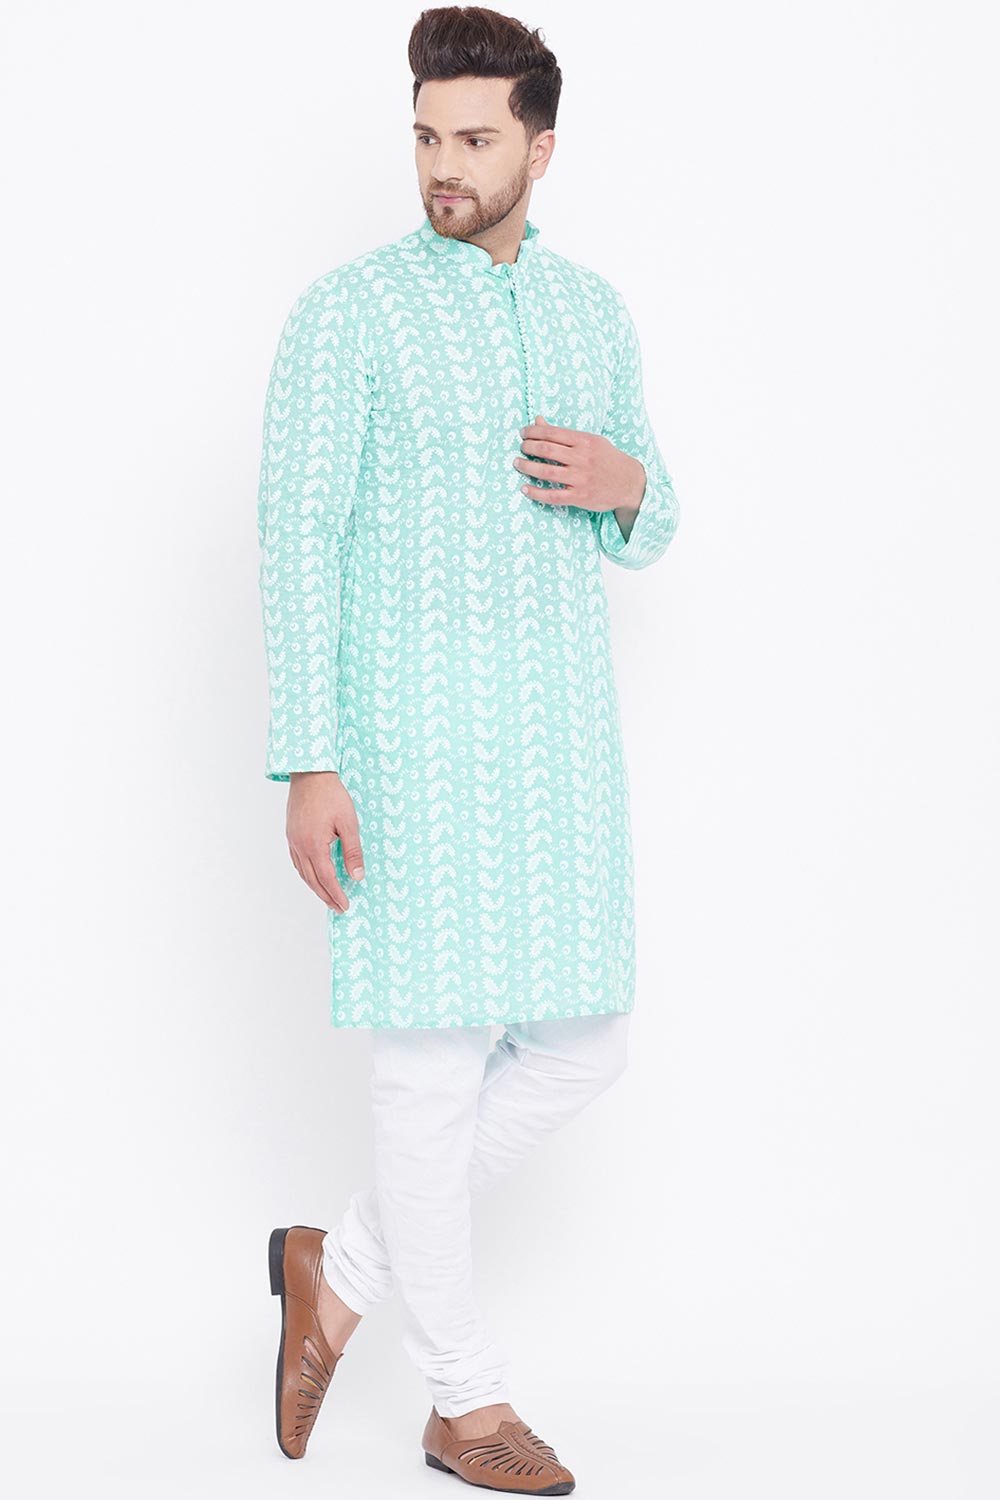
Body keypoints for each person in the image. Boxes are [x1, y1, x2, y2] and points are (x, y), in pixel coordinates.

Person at [258, 7, 680, 1492]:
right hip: (407, 743)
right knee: (431, 1070)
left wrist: (629, 484)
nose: (446, 165)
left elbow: (653, 522)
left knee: (586, 1044)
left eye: (477, 138)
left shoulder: (593, 313)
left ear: (539, 150)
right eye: (429, 136)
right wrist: (308, 757)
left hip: (558, 739)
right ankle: (465, 1402)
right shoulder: (351, 312)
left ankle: (337, 1271)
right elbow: (297, 535)